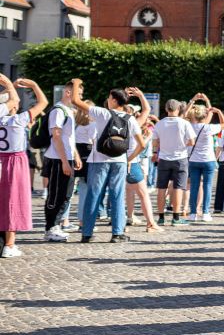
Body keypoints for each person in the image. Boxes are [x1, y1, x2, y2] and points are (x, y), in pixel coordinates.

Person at [68, 81, 150, 244]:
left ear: (113, 100)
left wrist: (76, 84)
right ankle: (117, 233)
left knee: (94, 195)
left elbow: (76, 102)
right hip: (119, 161)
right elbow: (142, 144)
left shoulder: (103, 113)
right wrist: (129, 158)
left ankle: (87, 233)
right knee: (117, 196)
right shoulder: (130, 119)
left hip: (99, 159)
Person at [0, 76, 48, 257]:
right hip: (14, 160)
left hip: (1, 159)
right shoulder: (18, 120)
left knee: (2, 201)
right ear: (11, 106)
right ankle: (10, 245)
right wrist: (35, 84)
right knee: (13, 201)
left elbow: (12, 98)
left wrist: (9, 87)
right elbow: (43, 102)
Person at [42, 83, 80, 243]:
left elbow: (69, 138)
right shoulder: (58, 110)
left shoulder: (69, 111)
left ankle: (56, 225)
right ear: (68, 92)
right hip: (57, 159)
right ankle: (50, 227)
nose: (80, 98)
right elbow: (56, 136)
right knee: (55, 195)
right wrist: (65, 162)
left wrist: (75, 155)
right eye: (78, 93)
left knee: (66, 194)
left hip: (66, 158)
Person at [153, 99, 196, 226]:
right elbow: (192, 142)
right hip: (180, 158)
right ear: (178, 109)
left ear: (166, 109)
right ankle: (176, 218)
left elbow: (155, 142)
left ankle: (160, 217)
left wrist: (156, 152)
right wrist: (182, 144)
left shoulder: (159, 123)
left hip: (164, 158)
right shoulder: (184, 123)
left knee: (161, 187)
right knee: (178, 187)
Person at [186, 96, 224, 222]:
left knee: (194, 187)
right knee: (207, 187)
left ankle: (193, 213)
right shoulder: (209, 128)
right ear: (205, 116)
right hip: (208, 160)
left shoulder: (189, 126)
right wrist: (218, 112)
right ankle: (205, 213)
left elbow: (184, 115)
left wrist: (192, 101)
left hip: (193, 160)